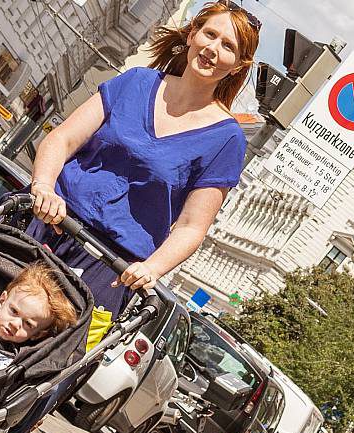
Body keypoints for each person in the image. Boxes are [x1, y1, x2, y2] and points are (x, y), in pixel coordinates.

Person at [26, 1, 261, 312]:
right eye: (210, 34)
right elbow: (63, 138)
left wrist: (152, 268)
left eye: (228, 46)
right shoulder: (137, 81)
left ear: (238, 65)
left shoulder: (226, 138)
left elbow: (192, 225)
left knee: (48, 354)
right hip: (51, 220)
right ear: (192, 35)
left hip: (108, 267)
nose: (213, 48)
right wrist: (43, 186)